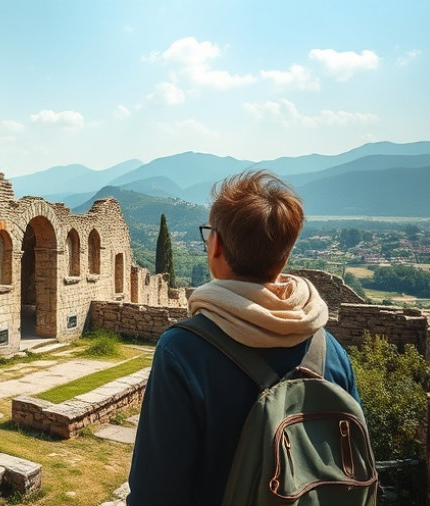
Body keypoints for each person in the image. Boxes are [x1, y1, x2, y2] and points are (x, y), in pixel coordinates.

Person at [125, 170, 361, 506]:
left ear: (216, 244)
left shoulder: (184, 351)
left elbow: (155, 492)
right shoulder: (330, 350)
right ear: (286, 254)